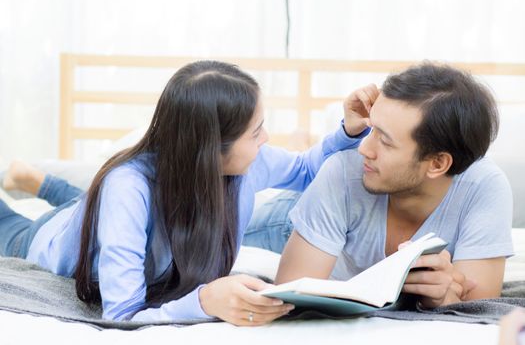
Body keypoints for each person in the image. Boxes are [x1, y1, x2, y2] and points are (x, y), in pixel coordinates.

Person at [0, 60, 369, 326]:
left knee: (83, 197)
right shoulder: (126, 189)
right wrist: (204, 300)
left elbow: (306, 171)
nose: (267, 139)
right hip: (43, 238)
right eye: (256, 132)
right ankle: (28, 183)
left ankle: (34, 179)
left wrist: (349, 131)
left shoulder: (249, 164)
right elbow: (122, 314)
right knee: (11, 222)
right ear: (212, 148)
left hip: (93, 211)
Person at [245, 62, 513, 308]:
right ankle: (299, 143)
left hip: (340, 207)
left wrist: (443, 298)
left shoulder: (484, 187)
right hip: (285, 221)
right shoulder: (341, 170)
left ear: (438, 164)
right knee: (227, 233)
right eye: (371, 129)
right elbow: (290, 295)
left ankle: (301, 143)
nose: (363, 148)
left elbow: (478, 306)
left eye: (384, 141)